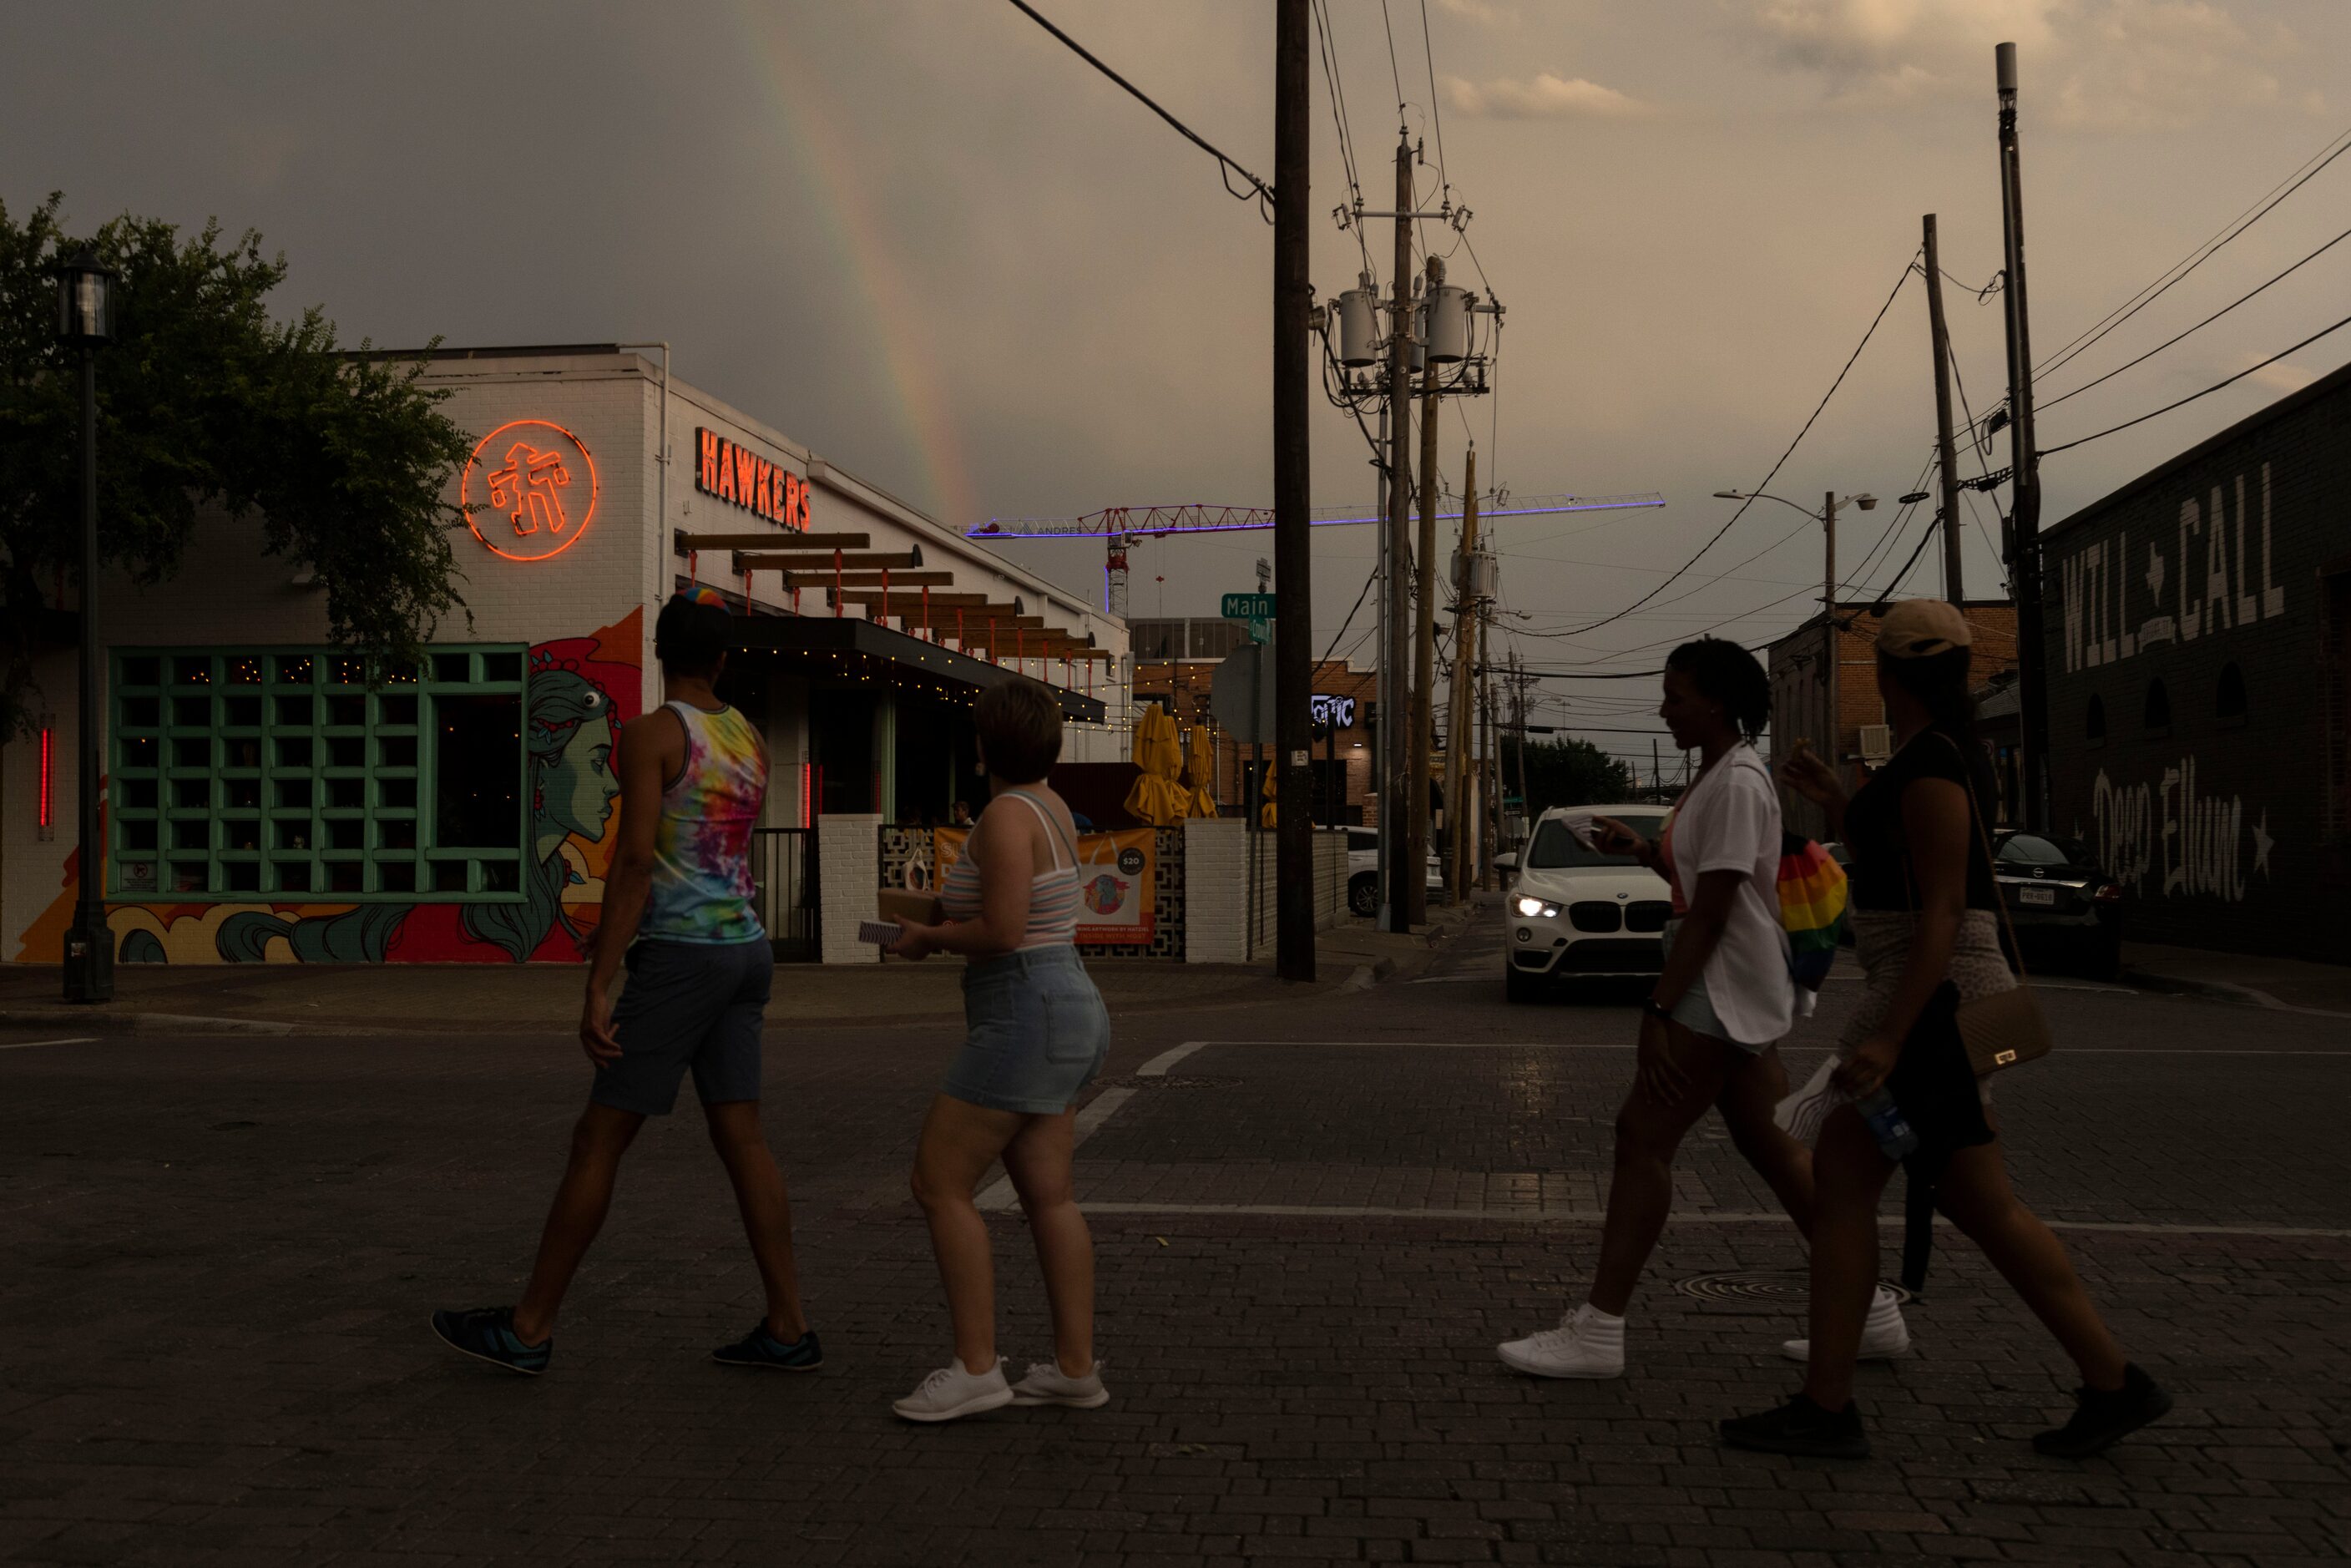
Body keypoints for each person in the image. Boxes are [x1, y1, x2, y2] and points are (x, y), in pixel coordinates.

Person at [1724, 599, 2170, 1460]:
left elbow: (1938, 910)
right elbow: (1903, 869)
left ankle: (1826, 1407)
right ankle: (2112, 1381)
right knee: (1972, 1201)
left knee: (1851, 1179)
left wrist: (1888, 1037)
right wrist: (1837, 801)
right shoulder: (1932, 757)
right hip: (1926, 992)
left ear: (1890, 675)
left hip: (1933, 997)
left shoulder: (1930, 765)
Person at [1496, 638, 1910, 1376]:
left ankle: (1599, 1330)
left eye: (1676, 695)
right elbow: (1704, 878)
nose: (1664, 708)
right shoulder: (1722, 776)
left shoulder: (1739, 781)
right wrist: (1642, 850)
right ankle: (1870, 1310)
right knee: (1775, 1150)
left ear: (1716, 702)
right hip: (1739, 987)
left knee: (1641, 1137)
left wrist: (1657, 1013)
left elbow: (1715, 911)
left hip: (1719, 987)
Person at [432, 594, 817, 1376]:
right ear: (720, 660)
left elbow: (637, 862)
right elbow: (718, 852)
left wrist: (598, 983)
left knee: (598, 1139)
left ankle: (529, 1329)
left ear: (659, 653)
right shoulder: (749, 739)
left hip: (680, 960)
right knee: (741, 1136)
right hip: (744, 950)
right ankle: (788, 1326)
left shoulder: (650, 736)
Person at [885, 679, 1112, 1422]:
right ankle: (1075, 1369)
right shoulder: (1048, 807)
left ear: (984, 744)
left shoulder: (1003, 815)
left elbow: (1003, 931)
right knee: (1050, 1196)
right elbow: (1002, 910)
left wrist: (929, 939)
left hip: (1024, 1009)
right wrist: (932, 917)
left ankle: (978, 1368)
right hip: (1066, 1007)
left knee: (938, 1182)